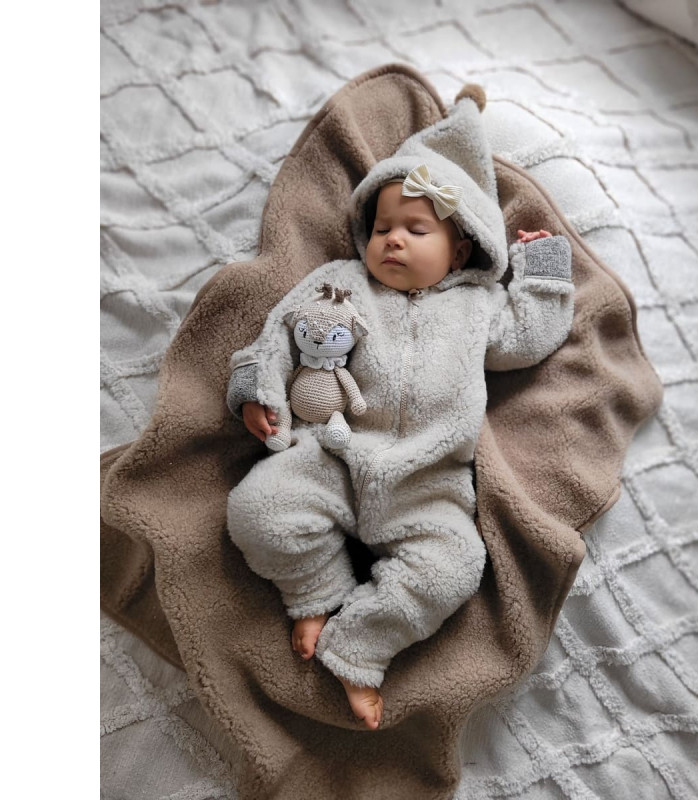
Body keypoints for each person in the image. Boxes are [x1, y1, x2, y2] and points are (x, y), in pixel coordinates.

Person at [225, 88, 575, 730]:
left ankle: (359, 647)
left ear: (461, 249)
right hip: (332, 453)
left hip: (427, 481)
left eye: (416, 230)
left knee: (454, 569)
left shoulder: (476, 307)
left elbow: (531, 336)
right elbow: (279, 334)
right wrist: (257, 392)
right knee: (257, 508)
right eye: (382, 228)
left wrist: (544, 265)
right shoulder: (341, 283)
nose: (392, 241)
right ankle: (316, 590)